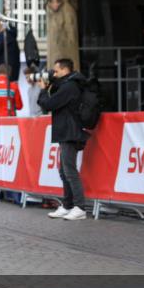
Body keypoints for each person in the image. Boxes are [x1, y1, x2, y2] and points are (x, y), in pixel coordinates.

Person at [37, 58, 88, 221]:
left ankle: (79, 207)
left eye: (56, 71)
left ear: (65, 70)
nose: (54, 73)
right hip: (66, 130)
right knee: (64, 170)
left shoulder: (70, 87)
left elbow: (49, 104)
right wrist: (51, 82)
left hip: (70, 131)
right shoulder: (67, 85)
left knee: (69, 170)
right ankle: (67, 205)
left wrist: (44, 89)